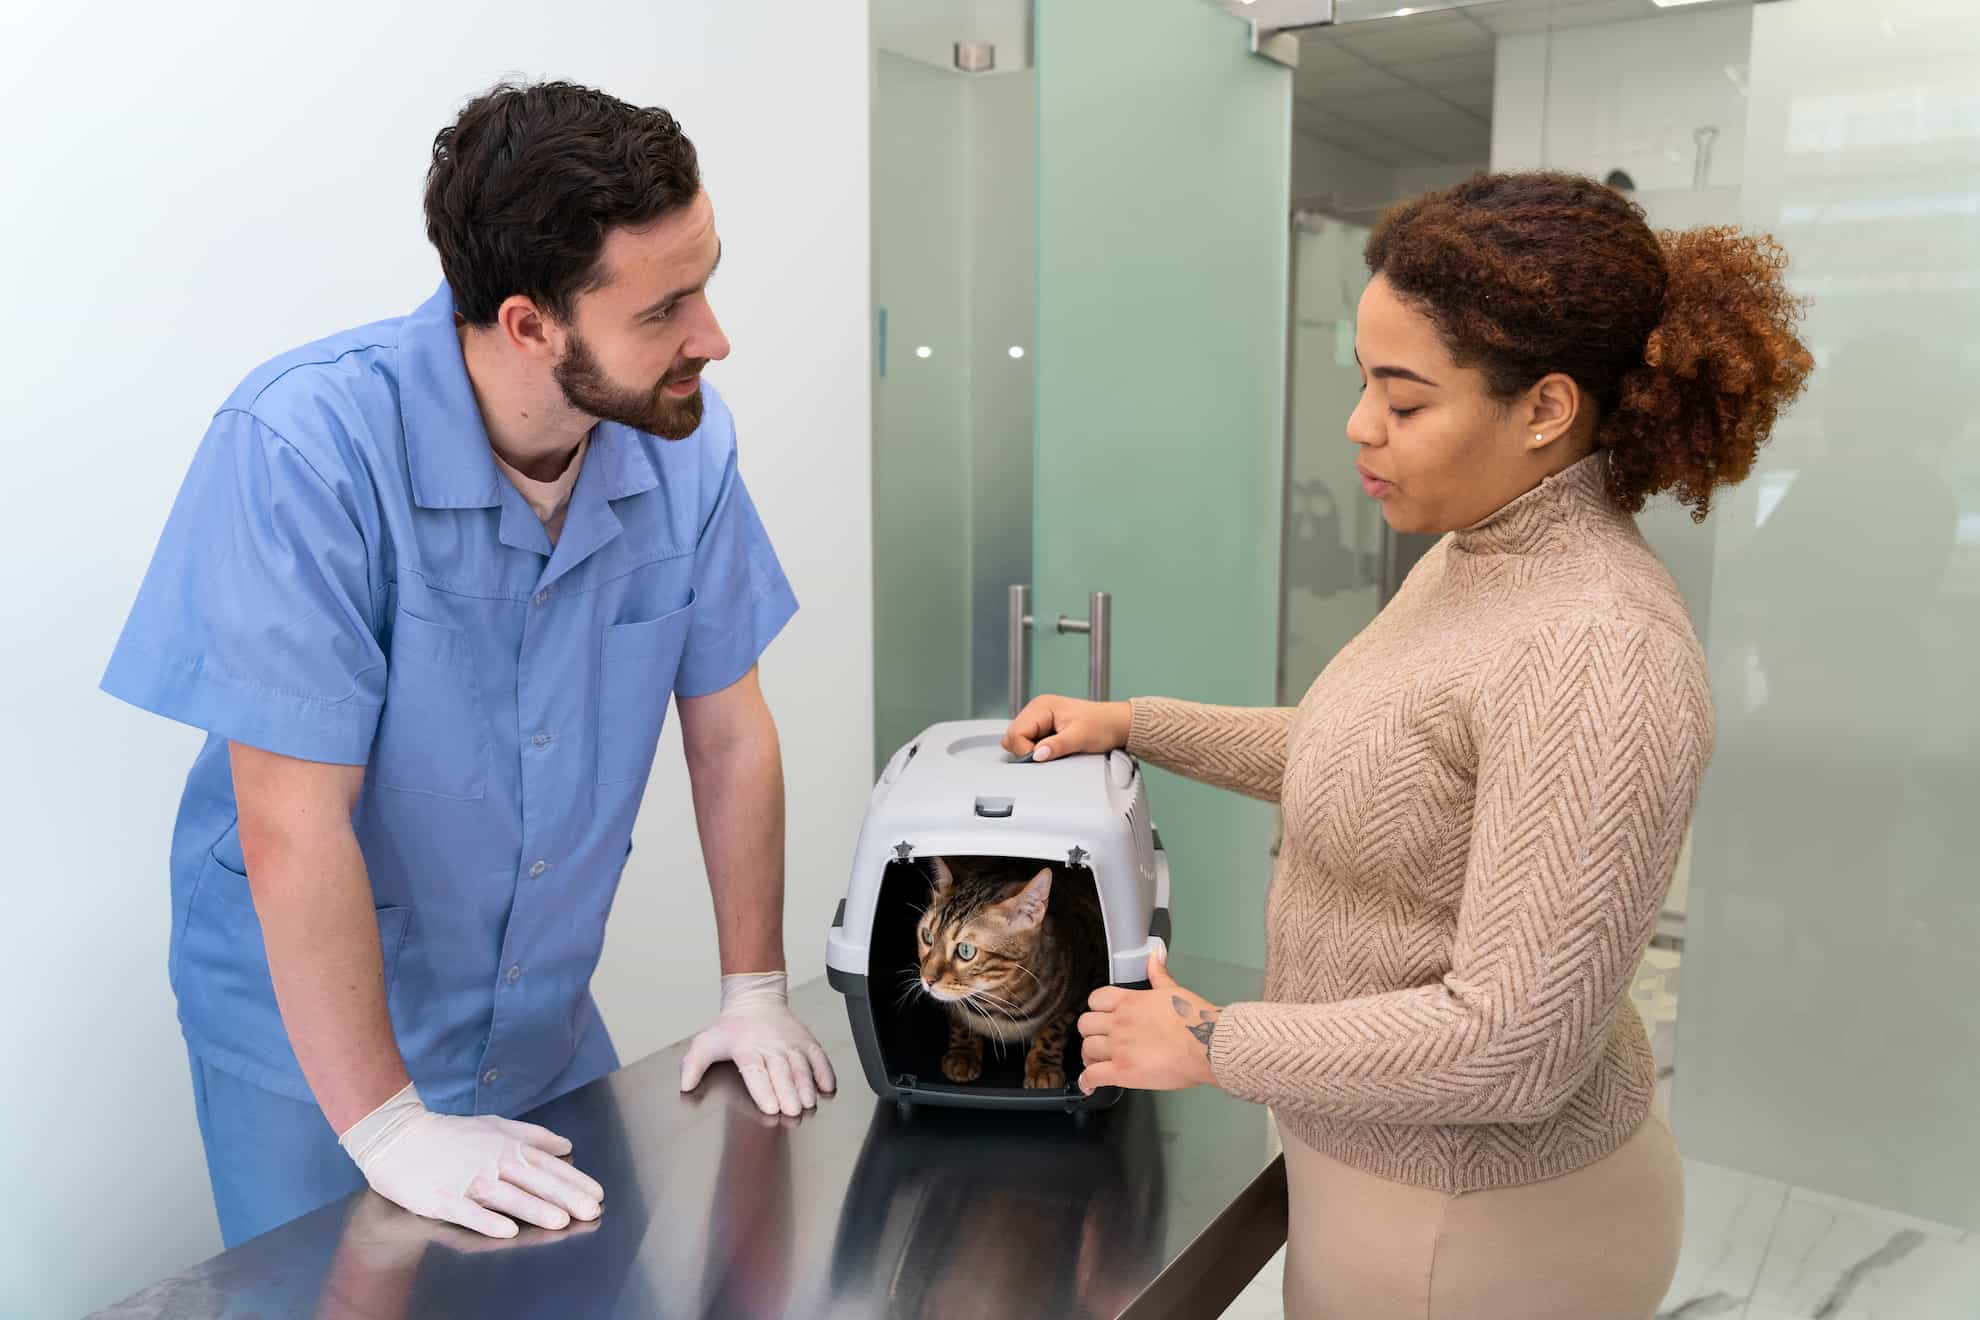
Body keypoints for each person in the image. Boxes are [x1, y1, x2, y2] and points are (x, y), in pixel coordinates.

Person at [1005, 171, 1813, 1319]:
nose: (1358, 425)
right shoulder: (1477, 552)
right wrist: (1134, 725)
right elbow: (1377, 761)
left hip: (1483, 1232)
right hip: (1376, 1183)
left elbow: (1514, 1047)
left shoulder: (1599, 648)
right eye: (1363, 383)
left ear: (1543, 409)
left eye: (1404, 397)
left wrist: (1215, 1040)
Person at [101, 81, 835, 1248]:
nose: (714, 336)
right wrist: (390, 1126)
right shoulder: (306, 449)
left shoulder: (683, 448)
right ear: (529, 323)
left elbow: (731, 727)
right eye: (666, 308)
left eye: (707, 280)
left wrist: (753, 987)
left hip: (541, 1023)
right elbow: (291, 819)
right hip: (318, 1059)